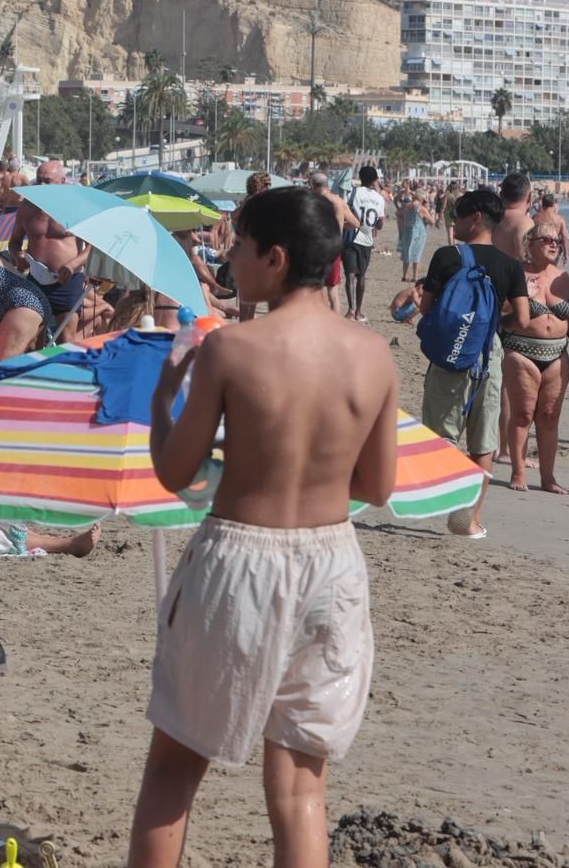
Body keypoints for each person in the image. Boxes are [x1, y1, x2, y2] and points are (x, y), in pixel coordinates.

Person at [127, 187, 398, 868]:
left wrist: (165, 401)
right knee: (302, 786)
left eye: (239, 245)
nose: (229, 256)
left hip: (239, 562)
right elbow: (377, 487)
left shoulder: (233, 351)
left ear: (275, 258)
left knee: (174, 769)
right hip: (332, 564)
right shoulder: (372, 355)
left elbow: (174, 472)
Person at [414, 189, 531, 539]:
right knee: (483, 441)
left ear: (476, 217)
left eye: (460, 217)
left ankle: (454, 493)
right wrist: (493, 323)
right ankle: (471, 519)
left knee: (442, 436)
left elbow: (426, 308)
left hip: (451, 352)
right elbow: (522, 319)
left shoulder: (447, 256)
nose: (455, 223)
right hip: (487, 353)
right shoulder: (510, 265)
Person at [502, 225, 569, 494]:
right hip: (521, 352)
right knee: (523, 414)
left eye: (557, 240)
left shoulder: (562, 278)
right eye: (546, 239)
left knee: (549, 417)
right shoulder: (516, 273)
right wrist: (521, 296)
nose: (554, 243)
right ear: (530, 243)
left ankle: (548, 478)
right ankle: (519, 471)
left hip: (558, 354)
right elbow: (499, 316)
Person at [8, 160, 92, 339]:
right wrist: (18, 256)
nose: (41, 184)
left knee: (66, 337)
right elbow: (14, 242)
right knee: (31, 337)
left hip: (67, 280)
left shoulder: (75, 207)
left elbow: (93, 246)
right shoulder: (27, 207)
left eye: (47, 180)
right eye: (39, 180)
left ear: (62, 182)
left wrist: (73, 264)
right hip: (35, 278)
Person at [340, 164, 384, 322]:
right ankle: (358, 312)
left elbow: (344, 211)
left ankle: (350, 310)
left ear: (360, 177)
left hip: (350, 236)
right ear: (374, 180)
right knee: (361, 276)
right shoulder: (379, 198)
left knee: (350, 275)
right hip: (366, 240)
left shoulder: (353, 192)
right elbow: (380, 224)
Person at [309, 172, 357, 314]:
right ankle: (334, 324)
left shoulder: (313, 201)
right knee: (333, 292)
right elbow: (355, 223)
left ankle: (319, 319)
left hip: (318, 248)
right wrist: (341, 223)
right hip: (334, 248)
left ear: (313, 185)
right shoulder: (339, 201)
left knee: (316, 289)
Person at [395, 180, 431, 283]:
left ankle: (404, 276)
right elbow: (432, 221)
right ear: (421, 197)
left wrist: (404, 221)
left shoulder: (407, 205)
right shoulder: (421, 208)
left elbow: (398, 213)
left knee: (406, 254)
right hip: (419, 233)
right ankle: (415, 277)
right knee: (416, 254)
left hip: (407, 231)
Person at [533, 191, 569, 263]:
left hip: (540, 248)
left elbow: (529, 235)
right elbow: (564, 237)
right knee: (552, 269)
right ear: (553, 204)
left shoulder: (535, 218)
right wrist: (566, 254)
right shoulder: (560, 219)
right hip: (554, 248)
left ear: (542, 204)